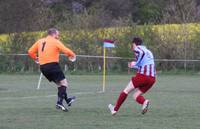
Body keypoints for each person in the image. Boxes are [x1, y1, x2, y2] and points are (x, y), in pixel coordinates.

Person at [28, 28, 76, 112]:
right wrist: (72, 55)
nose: (58, 36)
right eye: (57, 34)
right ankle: (59, 102)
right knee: (64, 83)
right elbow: (65, 50)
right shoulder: (55, 41)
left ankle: (67, 100)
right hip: (52, 65)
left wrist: (36, 58)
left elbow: (30, 51)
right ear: (53, 34)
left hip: (43, 67)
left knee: (60, 85)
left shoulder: (40, 41)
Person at [108, 37, 156, 115]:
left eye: (132, 45)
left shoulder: (137, 49)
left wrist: (135, 63)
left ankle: (115, 109)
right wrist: (134, 64)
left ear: (134, 44)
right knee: (135, 95)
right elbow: (145, 63)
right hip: (152, 78)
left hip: (143, 76)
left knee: (126, 91)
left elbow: (140, 53)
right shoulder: (149, 52)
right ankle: (144, 102)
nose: (132, 47)